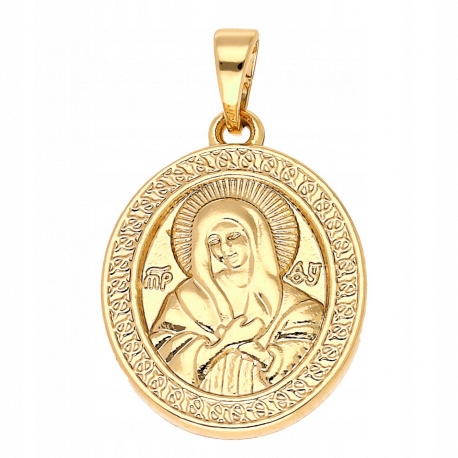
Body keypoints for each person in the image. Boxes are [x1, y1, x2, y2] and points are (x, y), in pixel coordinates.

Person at [149, 180, 324, 395]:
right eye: (213, 241)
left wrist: (263, 355)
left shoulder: (297, 305)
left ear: (255, 237)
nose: (224, 248)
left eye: (233, 236)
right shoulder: (186, 297)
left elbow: (306, 357)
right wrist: (223, 344)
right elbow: (160, 354)